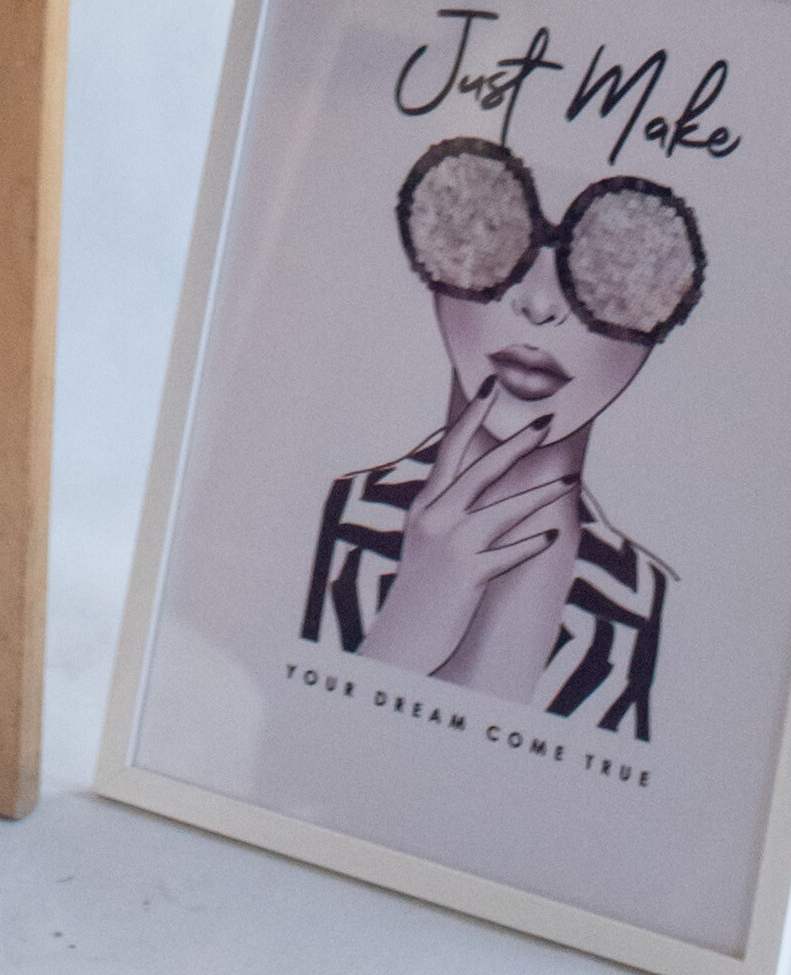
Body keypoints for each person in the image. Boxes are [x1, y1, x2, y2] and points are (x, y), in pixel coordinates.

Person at [302, 137, 707, 739]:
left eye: (614, 264)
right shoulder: (325, 520)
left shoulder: (650, 609)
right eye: (484, 231)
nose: (540, 304)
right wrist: (404, 633)